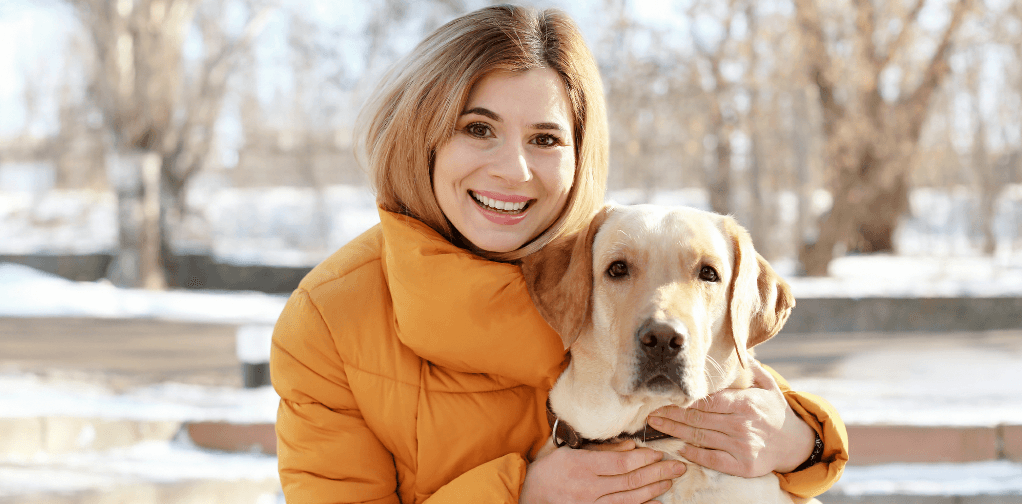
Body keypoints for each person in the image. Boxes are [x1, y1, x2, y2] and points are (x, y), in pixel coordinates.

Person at [270, 5, 848, 503]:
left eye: (545, 139)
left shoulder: (604, 252)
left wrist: (805, 440)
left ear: (579, 158)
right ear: (423, 133)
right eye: (478, 129)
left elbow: (715, 365)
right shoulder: (330, 319)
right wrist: (520, 493)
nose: (513, 170)